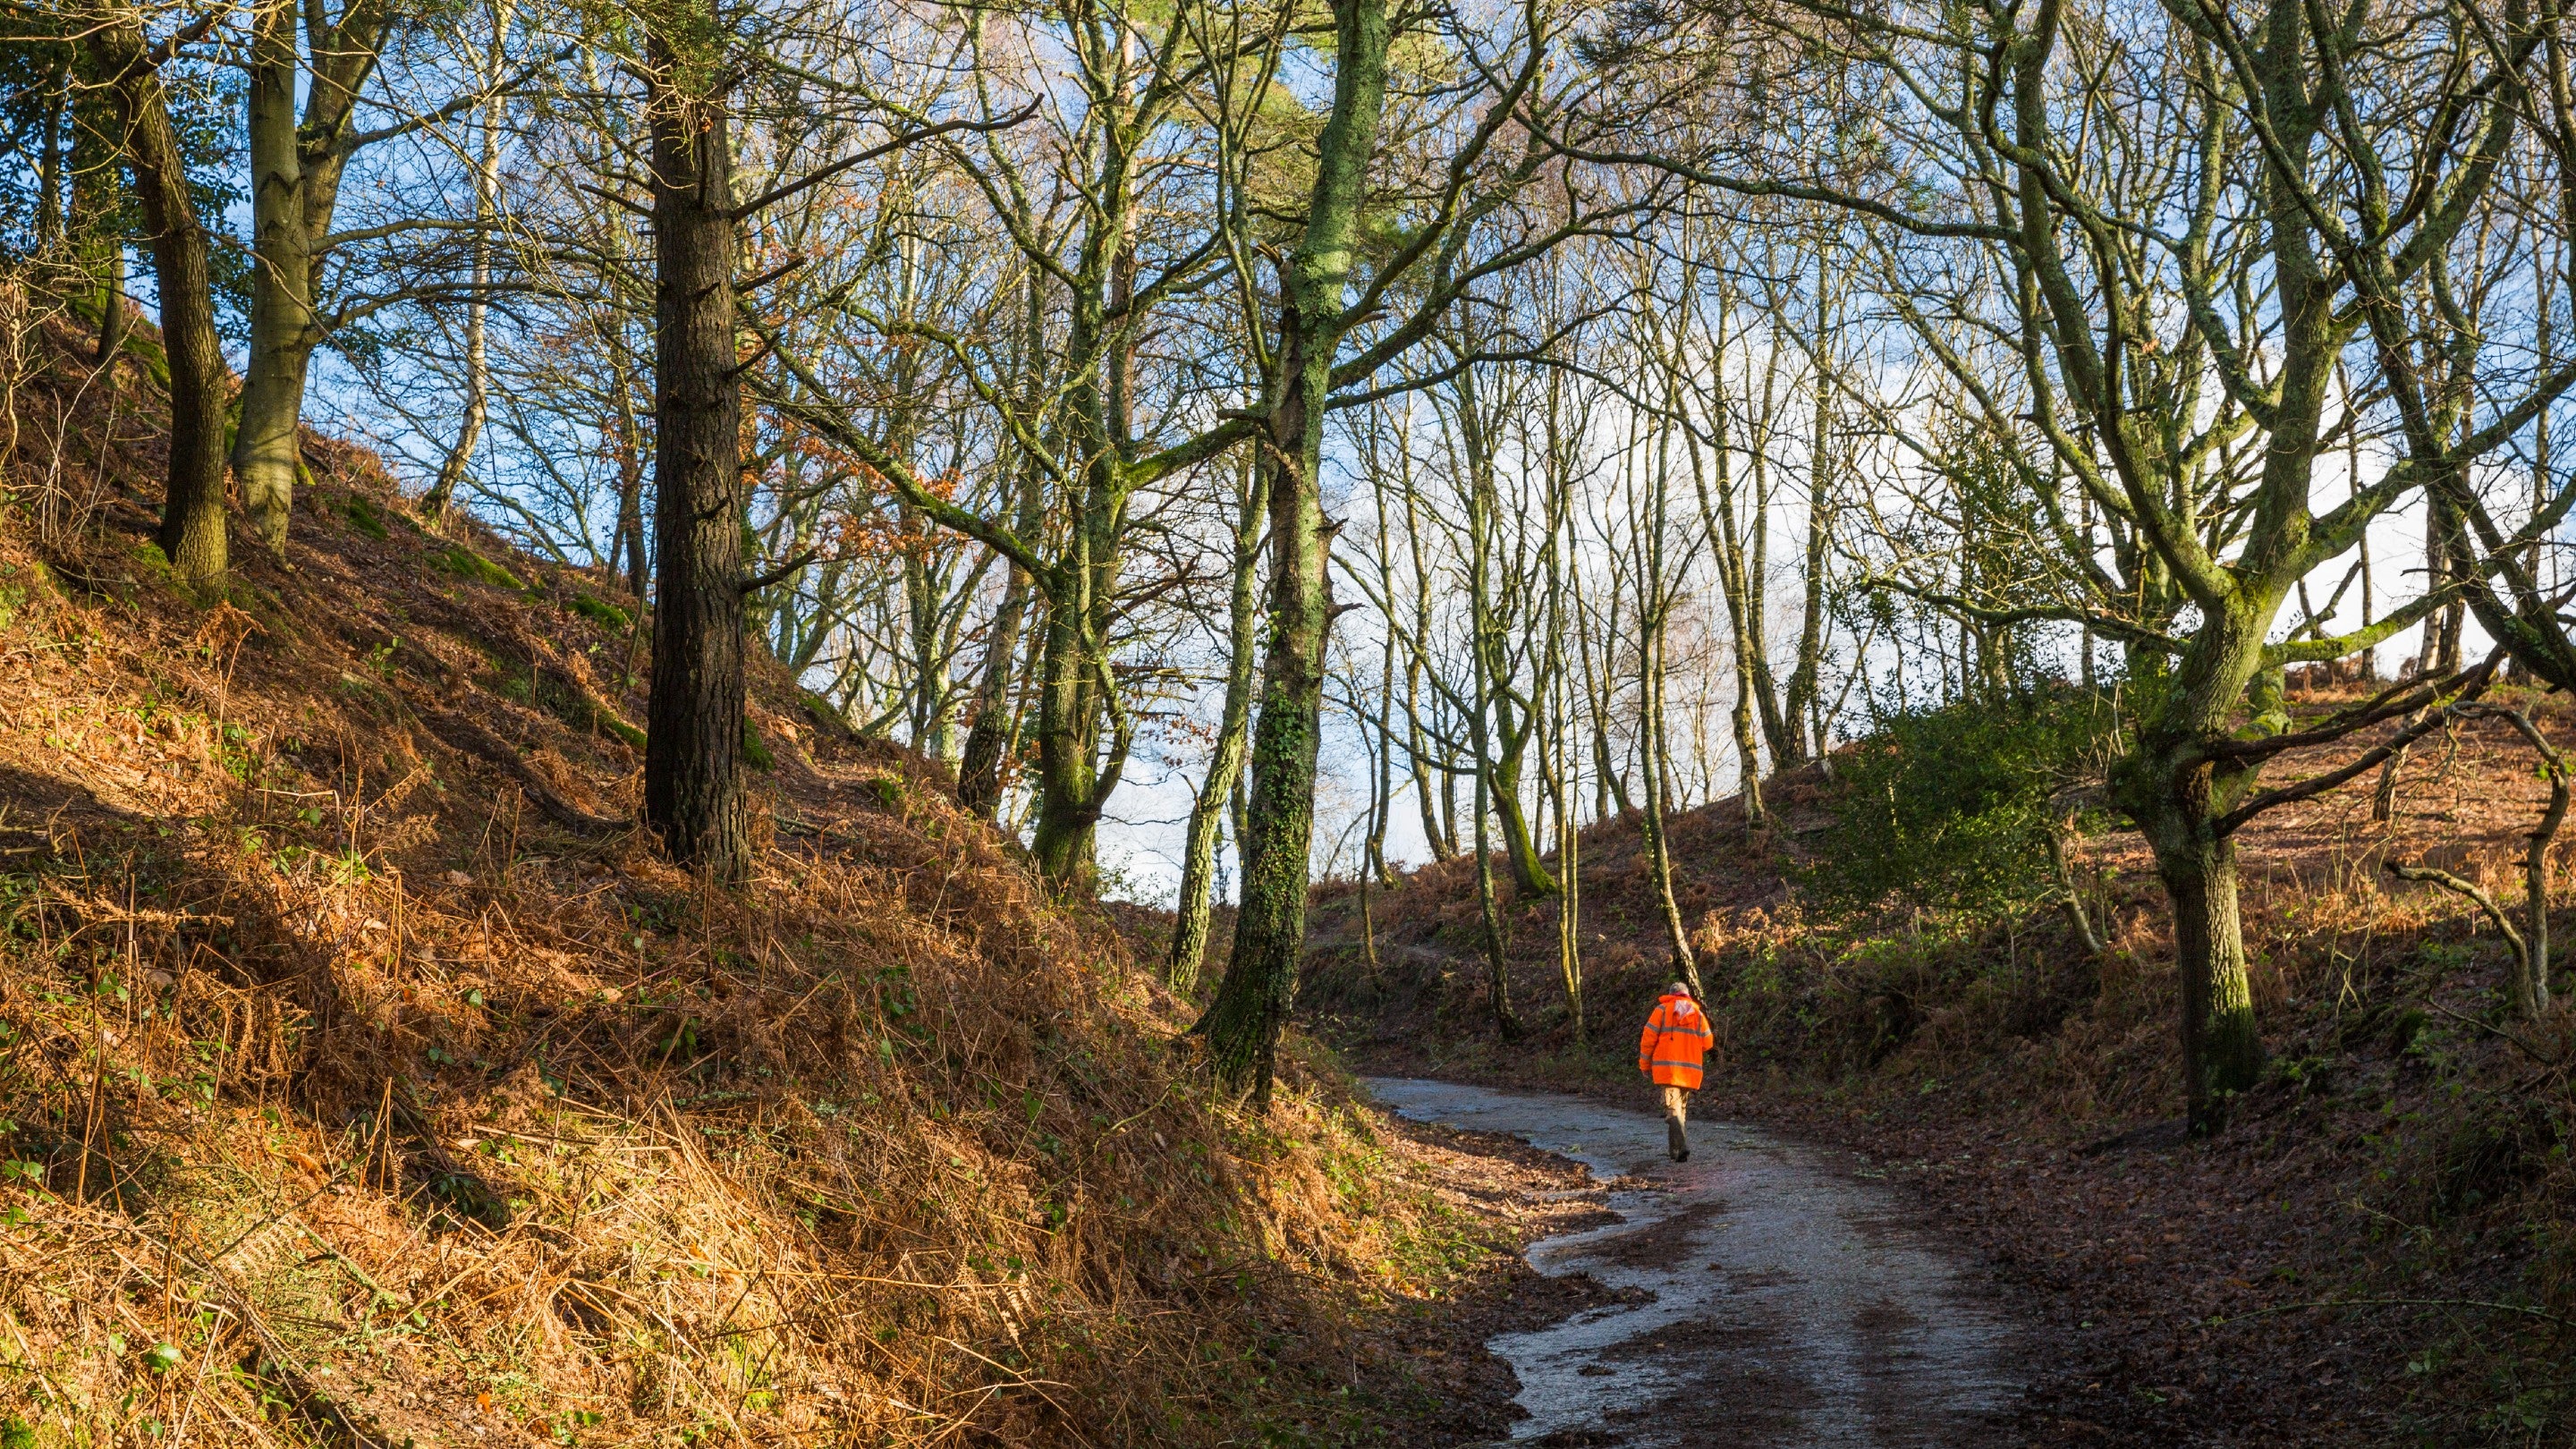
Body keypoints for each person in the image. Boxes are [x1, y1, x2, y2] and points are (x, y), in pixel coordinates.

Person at [1637, 979, 1712, 1161]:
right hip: (1690, 1072)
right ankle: (1676, 1153)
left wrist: (1644, 1065)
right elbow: (1709, 1043)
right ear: (1687, 995)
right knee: (1680, 1111)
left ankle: (1683, 1146)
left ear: (1671, 994)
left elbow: (1648, 1040)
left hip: (1668, 1070)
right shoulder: (1698, 1014)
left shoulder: (1661, 1011)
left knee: (1673, 1110)